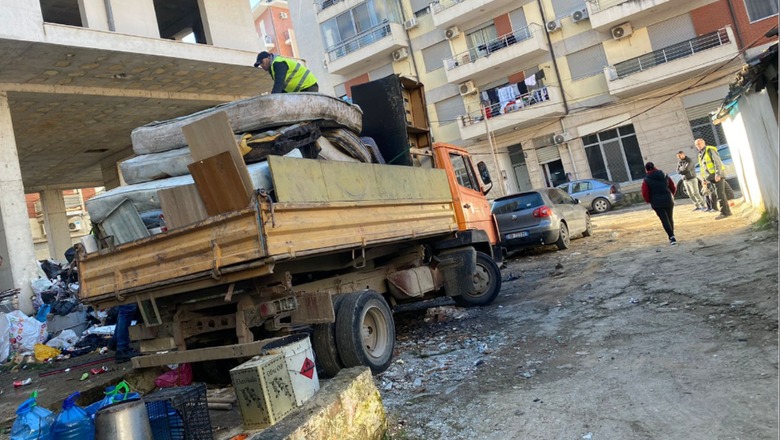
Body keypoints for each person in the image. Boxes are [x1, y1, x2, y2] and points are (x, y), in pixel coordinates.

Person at [641, 162, 678, 245]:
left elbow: (645, 192)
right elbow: (673, 186)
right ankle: (672, 235)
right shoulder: (664, 175)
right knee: (670, 218)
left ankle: (671, 236)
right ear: (654, 167)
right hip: (668, 199)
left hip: (656, 202)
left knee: (664, 219)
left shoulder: (646, 179)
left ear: (646, 170)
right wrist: (671, 194)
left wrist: (648, 200)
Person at [694, 138, 732, 219]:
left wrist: (718, 174)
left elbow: (717, 162)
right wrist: (704, 179)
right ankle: (727, 211)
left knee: (720, 195)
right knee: (720, 194)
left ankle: (724, 212)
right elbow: (703, 168)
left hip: (717, 176)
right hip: (710, 177)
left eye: (700, 143)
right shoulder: (700, 154)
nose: (698, 145)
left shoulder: (710, 150)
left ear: (704, 143)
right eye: (697, 145)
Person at [253, 51, 319, 94]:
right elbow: (282, 89)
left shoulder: (278, 63)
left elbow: (279, 83)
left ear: (268, 58)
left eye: (262, 62)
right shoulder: (273, 69)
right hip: (302, 89)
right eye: (259, 65)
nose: (261, 65)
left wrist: (273, 98)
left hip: (308, 86)